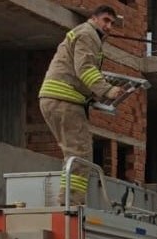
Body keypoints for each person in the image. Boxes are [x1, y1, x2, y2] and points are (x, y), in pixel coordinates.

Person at [38, 5, 124, 205]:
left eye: (112, 22)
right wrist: (107, 90)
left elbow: (79, 73)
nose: (109, 26)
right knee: (80, 154)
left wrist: (93, 96)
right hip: (64, 100)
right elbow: (85, 69)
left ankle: (67, 201)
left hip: (56, 99)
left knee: (72, 154)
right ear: (94, 19)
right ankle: (71, 204)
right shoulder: (88, 35)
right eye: (106, 20)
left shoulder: (83, 34)